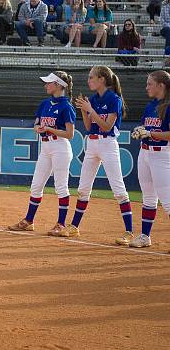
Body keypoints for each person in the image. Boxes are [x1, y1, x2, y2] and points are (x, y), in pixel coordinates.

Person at [62, 66, 134, 245]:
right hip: (92, 143)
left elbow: (107, 126)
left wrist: (90, 109)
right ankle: (74, 226)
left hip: (108, 143)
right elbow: (88, 126)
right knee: (83, 188)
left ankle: (129, 232)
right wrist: (83, 109)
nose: (89, 80)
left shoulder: (114, 99)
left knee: (118, 189)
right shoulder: (93, 99)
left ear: (102, 79)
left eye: (92, 77)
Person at [8, 71, 76, 236]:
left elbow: (70, 134)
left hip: (60, 147)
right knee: (36, 185)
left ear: (58, 85)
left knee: (61, 186)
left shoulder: (66, 106)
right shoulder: (45, 104)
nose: (46, 85)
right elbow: (36, 125)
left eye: (49, 83)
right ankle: (29, 221)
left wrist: (49, 129)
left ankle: (60, 224)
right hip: (45, 147)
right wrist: (37, 129)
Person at [128, 70, 170, 248]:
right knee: (148, 197)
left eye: (150, 84)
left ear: (161, 86)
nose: (146, 87)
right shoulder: (150, 105)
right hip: (145, 153)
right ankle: (145, 236)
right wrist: (141, 131)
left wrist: (150, 133)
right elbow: (147, 127)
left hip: (162, 155)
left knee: (167, 199)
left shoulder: (169, 106)